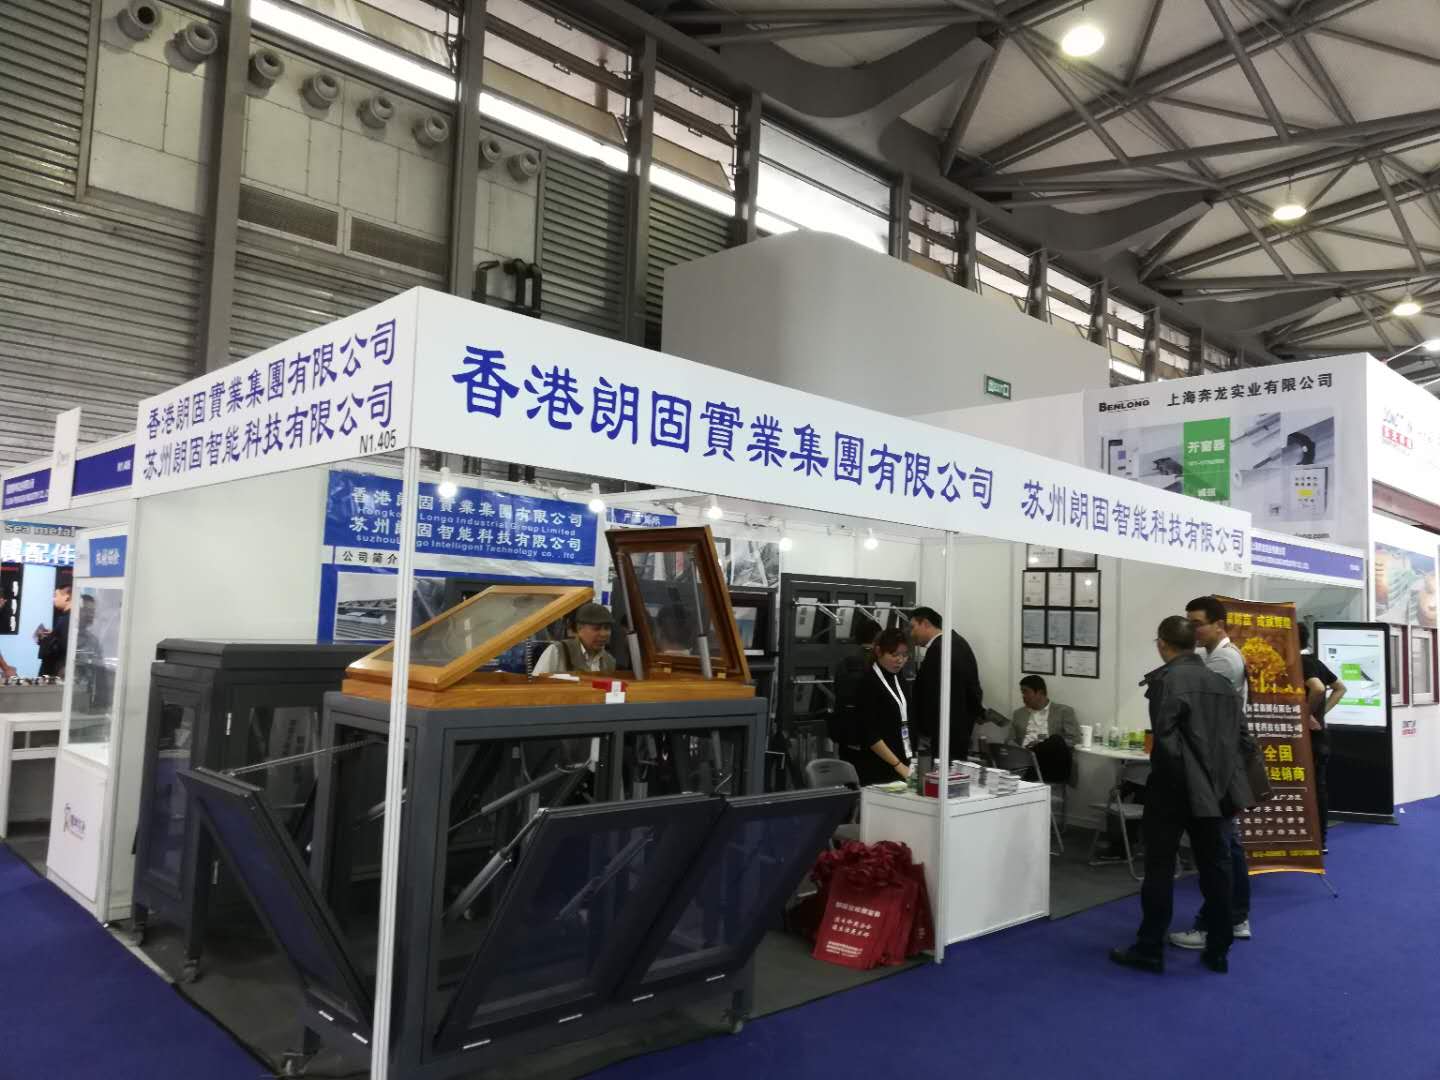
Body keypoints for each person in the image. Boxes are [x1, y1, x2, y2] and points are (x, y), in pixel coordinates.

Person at [1111, 616, 1247, 976]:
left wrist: (1175, 783)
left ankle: (1150, 948)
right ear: (1194, 643)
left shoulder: (1166, 681)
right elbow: (1242, 739)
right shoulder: (1222, 683)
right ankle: (1218, 949)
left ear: (1162, 644)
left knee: (1159, 868)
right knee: (1216, 869)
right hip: (1218, 790)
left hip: (1174, 790)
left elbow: (1166, 743)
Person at [1170, 595, 1252, 949]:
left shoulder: (1224, 660)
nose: (1192, 630)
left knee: (1219, 848)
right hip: (1216, 760)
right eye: (1188, 623)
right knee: (1227, 844)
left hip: (1217, 764)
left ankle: (1216, 924)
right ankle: (1234, 917)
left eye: (1198, 623)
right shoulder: (1208, 656)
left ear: (1219, 624)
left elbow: (1194, 703)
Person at [909, 606, 984, 762]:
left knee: (941, 772)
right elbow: (973, 689)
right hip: (960, 729)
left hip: (943, 731)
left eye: (913, 627)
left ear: (926, 623)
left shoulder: (939, 650)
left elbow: (930, 695)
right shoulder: (959, 642)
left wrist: (922, 729)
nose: (911, 633)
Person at [1299, 621, 1345, 853]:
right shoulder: (1314, 661)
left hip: (1310, 739)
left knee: (1312, 789)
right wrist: (1321, 713)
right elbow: (1340, 687)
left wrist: (1307, 715)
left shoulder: (1302, 663)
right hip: (1320, 738)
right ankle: (1320, 841)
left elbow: (1317, 688)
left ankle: (1315, 840)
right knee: (1318, 787)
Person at [853, 628, 915, 786]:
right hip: (879, 766)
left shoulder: (899, 677)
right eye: (894, 655)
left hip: (904, 759)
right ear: (879, 651)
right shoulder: (868, 682)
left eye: (904, 655)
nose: (900, 660)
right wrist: (897, 765)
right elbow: (869, 734)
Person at [1009, 675, 1080, 783]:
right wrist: (1016, 749)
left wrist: (1043, 744)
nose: (1023, 696)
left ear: (1040, 693)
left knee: (1055, 740)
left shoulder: (1063, 711)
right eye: (1022, 693)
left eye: (1026, 692)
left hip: (1050, 759)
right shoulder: (1019, 713)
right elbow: (1009, 739)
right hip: (1025, 757)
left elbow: (1074, 739)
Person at [531, 602, 616, 675]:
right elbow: (536, 683)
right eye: (596, 628)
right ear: (579, 629)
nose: (603, 634)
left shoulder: (609, 661)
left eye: (607, 628)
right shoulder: (558, 651)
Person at [35, 583, 72, 680]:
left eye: (56, 596)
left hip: (54, 673)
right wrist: (51, 635)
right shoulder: (64, 619)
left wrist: (46, 640)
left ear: (67, 597)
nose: (54, 599)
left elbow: (63, 648)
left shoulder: (67, 620)